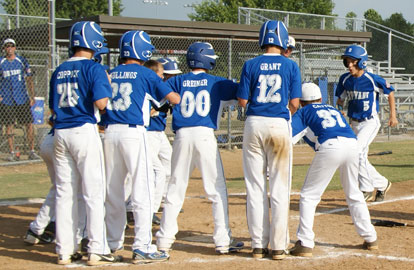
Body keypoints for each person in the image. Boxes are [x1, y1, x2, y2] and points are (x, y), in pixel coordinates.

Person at [156, 42, 244, 255]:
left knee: (175, 187)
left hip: (181, 136)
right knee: (216, 190)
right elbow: (241, 92)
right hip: (204, 136)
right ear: (209, 60)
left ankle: (164, 240)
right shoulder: (217, 82)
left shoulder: (176, 80)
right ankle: (222, 240)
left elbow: (160, 94)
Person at [103, 30, 180, 264]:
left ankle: (112, 242)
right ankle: (142, 246)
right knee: (143, 189)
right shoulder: (145, 73)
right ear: (143, 51)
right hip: (134, 133)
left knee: (113, 190)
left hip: (109, 133)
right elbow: (173, 98)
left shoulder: (112, 72)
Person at [49, 21, 122, 266]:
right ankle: (96, 247)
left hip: (60, 132)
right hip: (83, 130)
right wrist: (107, 85)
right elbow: (102, 103)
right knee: (93, 191)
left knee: (65, 192)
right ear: (93, 41)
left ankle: (64, 250)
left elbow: (53, 107)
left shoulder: (58, 69)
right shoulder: (92, 68)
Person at [237, 20, 301, 260]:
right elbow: (295, 103)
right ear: (283, 40)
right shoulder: (290, 65)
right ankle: (277, 246)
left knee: (255, 186)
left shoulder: (250, 64)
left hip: (254, 123)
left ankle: (257, 245)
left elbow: (242, 100)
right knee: (279, 187)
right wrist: (283, 115)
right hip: (278, 124)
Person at [289, 82, 378, 257]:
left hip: (330, 146)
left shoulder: (304, 111)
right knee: (354, 193)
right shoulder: (332, 109)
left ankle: (305, 242)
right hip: (353, 145)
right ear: (320, 98)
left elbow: (287, 138)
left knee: (309, 195)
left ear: (300, 102)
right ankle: (370, 237)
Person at [335, 45, 398, 202]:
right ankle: (382, 184)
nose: (349, 65)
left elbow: (390, 94)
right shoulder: (345, 79)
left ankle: (366, 189)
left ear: (362, 62)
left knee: (356, 152)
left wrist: (393, 115)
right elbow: (340, 100)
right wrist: (339, 109)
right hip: (354, 123)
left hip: (369, 122)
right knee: (360, 156)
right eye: (347, 62)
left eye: (353, 62)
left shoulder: (372, 79)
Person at [143, 58, 178, 226]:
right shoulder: (151, 87)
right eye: (165, 75)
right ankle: (147, 209)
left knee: (170, 164)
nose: (168, 79)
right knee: (156, 172)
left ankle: (162, 199)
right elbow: (152, 108)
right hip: (148, 133)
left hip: (159, 133)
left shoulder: (163, 88)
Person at [0, 38, 40, 161]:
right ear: (4, 48)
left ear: (15, 48)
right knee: (9, 125)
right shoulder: (1, 62)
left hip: (21, 98)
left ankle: (31, 150)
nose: (10, 48)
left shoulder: (21, 61)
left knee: (29, 124)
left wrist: (32, 96)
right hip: (6, 98)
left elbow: (29, 79)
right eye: (7, 46)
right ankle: (12, 152)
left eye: (12, 46)